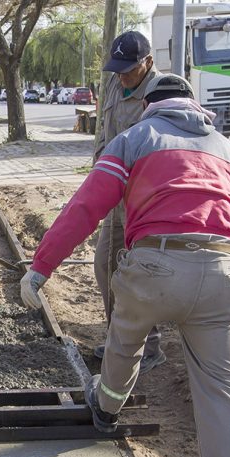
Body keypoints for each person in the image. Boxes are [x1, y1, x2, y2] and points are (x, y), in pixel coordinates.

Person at [21, 74, 230, 457]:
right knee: (222, 391)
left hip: (155, 263)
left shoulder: (135, 138)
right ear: (194, 107)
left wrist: (41, 268)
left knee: (126, 338)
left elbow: (86, 207)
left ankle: (106, 407)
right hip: (223, 270)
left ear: (150, 108)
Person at [93, 31, 165, 372]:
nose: (122, 75)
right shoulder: (113, 83)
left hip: (146, 202)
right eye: (117, 68)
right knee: (106, 263)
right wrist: (98, 174)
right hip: (115, 194)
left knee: (141, 272)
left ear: (148, 63)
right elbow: (105, 135)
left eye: (129, 69)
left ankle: (149, 346)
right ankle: (117, 338)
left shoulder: (163, 92)